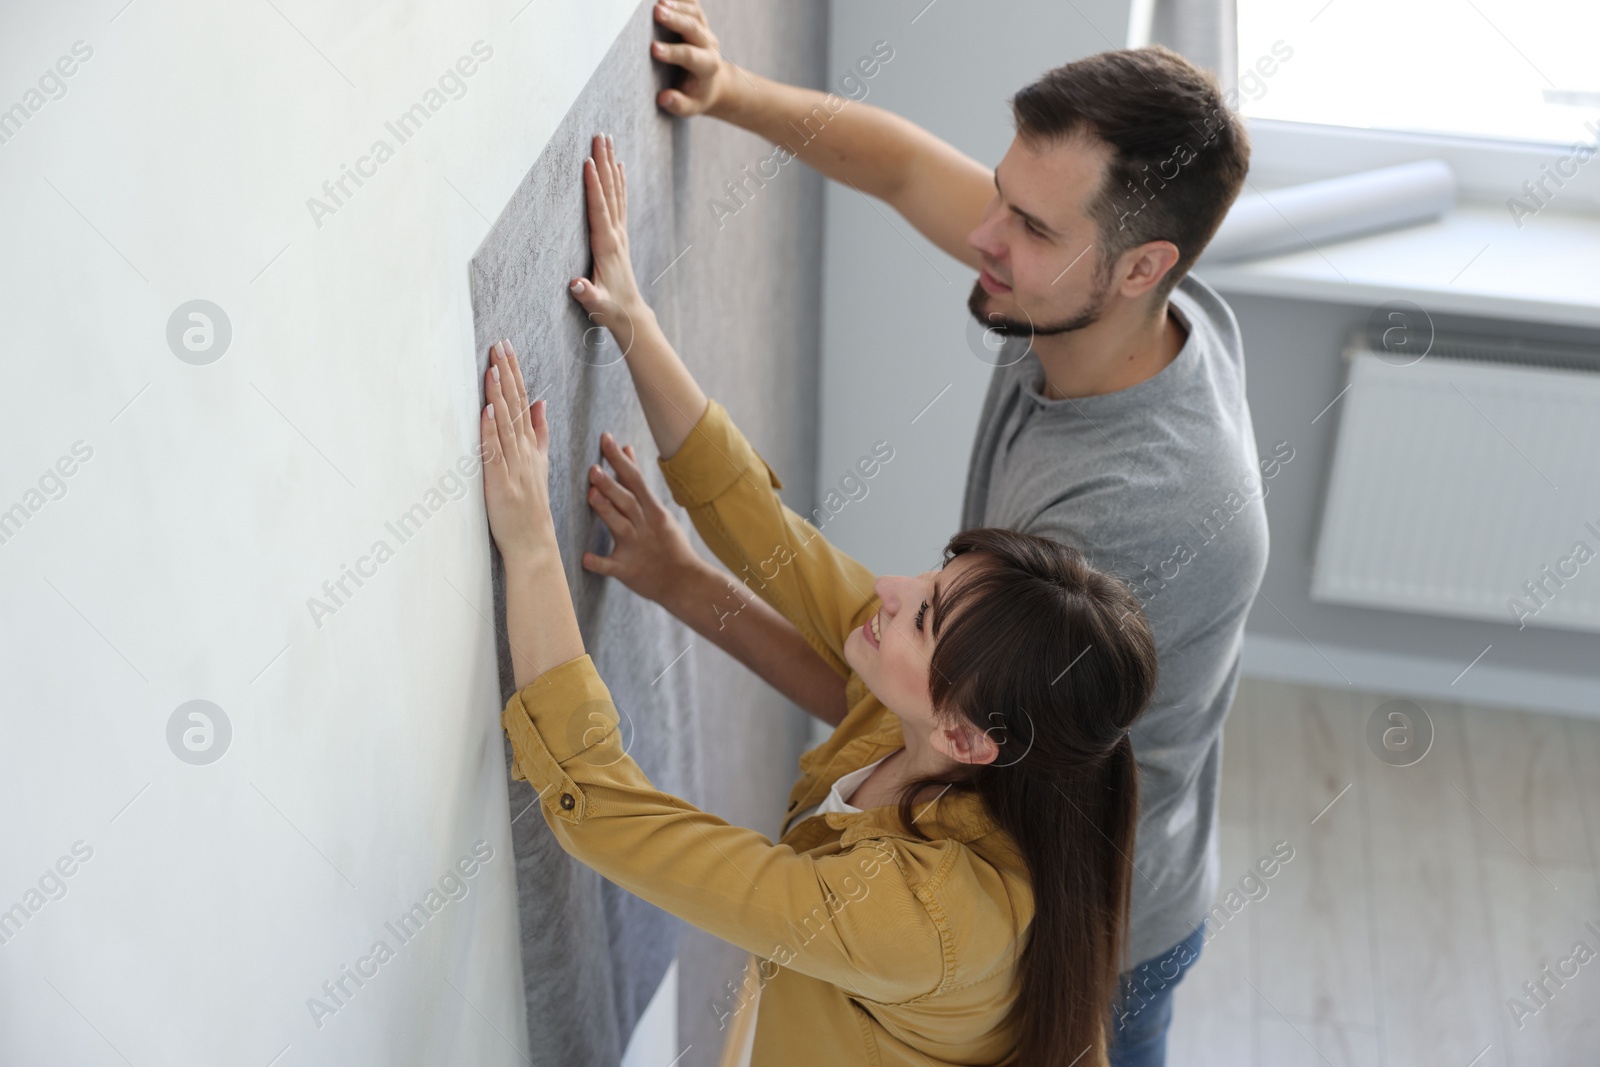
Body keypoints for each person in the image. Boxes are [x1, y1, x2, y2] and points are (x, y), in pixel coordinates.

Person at [646, 5, 1270, 1063]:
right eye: (1002, 196)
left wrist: (683, 584)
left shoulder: (1114, 519)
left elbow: (888, 698)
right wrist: (731, 92)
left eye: (1030, 228)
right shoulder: (1116, 305)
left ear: (1137, 264)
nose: (985, 236)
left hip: (1090, 928)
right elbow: (900, 170)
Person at [482, 134, 1159, 1066]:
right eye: (932, 579)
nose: (889, 588)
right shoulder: (949, 724)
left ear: (968, 735)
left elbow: (605, 811)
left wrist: (526, 545)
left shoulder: (924, 918)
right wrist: (633, 321)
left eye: (923, 613)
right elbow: (773, 537)